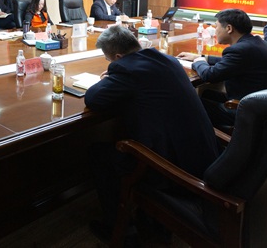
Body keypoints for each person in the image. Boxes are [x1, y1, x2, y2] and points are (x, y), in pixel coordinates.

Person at [84, 25, 218, 235]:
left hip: (175, 172)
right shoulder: (168, 60)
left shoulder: (127, 70)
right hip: (204, 159)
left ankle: (120, 232)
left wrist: (108, 79)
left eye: (109, 60)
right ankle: (149, 220)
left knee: (99, 153)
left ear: (118, 57)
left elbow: (93, 99)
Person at [178, 8, 267, 129]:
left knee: (189, 104)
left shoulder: (240, 50)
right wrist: (203, 57)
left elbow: (209, 75)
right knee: (207, 94)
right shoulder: (255, 42)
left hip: (255, 113)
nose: (215, 30)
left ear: (229, 28)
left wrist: (198, 61)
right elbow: (233, 62)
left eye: (216, 26)